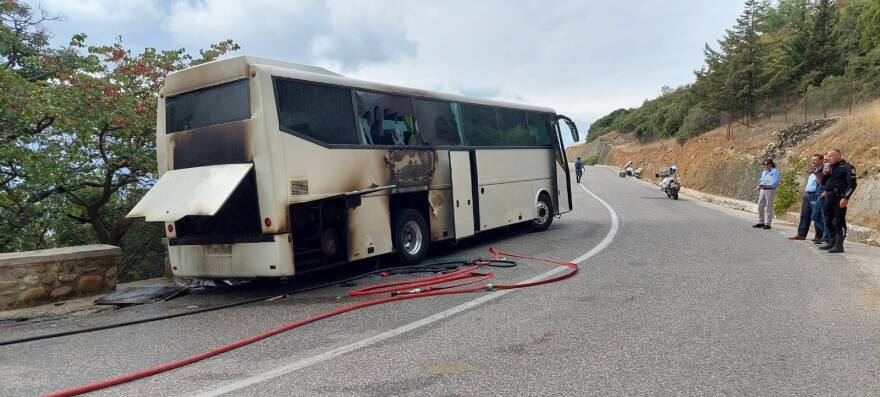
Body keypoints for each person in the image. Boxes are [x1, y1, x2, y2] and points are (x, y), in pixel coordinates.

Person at [819, 148, 857, 253]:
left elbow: (852, 184)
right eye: (827, 156)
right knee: (827, 220)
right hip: (829, 197)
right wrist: (825, 174)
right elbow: (823, 183)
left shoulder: (847, 167)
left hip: (839, 197)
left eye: (830, 155)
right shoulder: (830, 167)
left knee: (838, 221)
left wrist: (846, 197)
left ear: (838, 156)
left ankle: (839, 245)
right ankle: (831, 242)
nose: (828, 158)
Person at [789, 154, 824, 240]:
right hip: (807, 194)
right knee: (804, 215)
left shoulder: (822, 170)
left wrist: (816, 174)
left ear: (821, 161)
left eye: (815, 160)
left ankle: (819, 236)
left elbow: (822, 183)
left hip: (815, 194)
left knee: (816, 215)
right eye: (812, 160)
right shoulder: (813, 170)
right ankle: (801, 234)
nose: (813, 161)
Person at [753, 158, 781, 230]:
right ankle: (761, 222)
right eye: (764, 164)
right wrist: (758, 187)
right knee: (760, 206)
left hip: (770, 190)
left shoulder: (774, 171)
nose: (765, 166)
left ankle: (768, 223)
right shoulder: (764, 172)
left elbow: (776, 181)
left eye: (767, 164)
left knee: (769, 206)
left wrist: (770, 186)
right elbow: (762, 180)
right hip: (763, 189)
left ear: (771, 164)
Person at [810, 157, 831, 244]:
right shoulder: (823, 173)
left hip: (825, 196)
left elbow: (830, 185)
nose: (825, 169)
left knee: (824, 217)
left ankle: (828, 236)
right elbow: (821, 183)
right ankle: (828, 235)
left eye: (826, 160)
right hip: (819, 195)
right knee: (815, 216)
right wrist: (816, 174)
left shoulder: (832, 173)